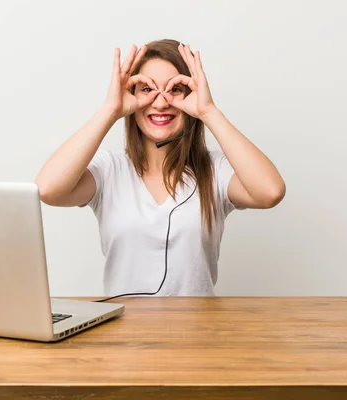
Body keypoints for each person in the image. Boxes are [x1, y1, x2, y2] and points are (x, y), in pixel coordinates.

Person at [35, 39, 285, 298]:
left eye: (175, 89)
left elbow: (270, 192)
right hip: (124, 334)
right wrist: (110, 110)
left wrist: (208, 112)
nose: (161, 103)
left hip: (199, 334)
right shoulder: (110, 170)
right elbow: (48, 189)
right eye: (147, 89)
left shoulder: (215, 171)